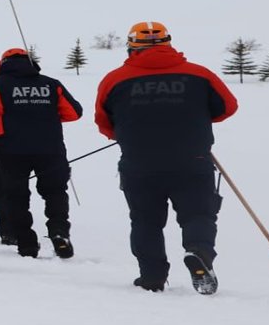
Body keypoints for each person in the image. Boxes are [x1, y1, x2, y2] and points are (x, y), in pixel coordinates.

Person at [95, 21, 237, 295]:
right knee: (198, 214)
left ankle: (151, 277)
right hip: (192, 159)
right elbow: (227, 107)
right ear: (169, 43)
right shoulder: (199, 74)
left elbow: (103, 122)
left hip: (139, 163)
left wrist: (127, 134)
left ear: (131, 46)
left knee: (145, 220)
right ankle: (199, 253)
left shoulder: (114, 80)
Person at [0, 48, 83, 259]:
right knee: (55, 193)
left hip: (11, 152)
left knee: (16, 198)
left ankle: (27, 244)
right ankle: (59, 233)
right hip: (51, 149)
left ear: (3, 63)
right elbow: (74, 112)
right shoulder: (51, 84)